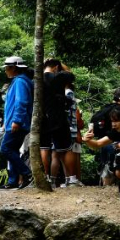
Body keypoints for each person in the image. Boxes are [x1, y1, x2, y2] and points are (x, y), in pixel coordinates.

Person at [0, 56, 34, 190]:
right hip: (14, 123)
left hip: (17, 123)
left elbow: (21, 101)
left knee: (5, 149)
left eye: (7, 68)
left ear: (14, 68)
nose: (5, 70)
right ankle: (13, 181)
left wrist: (17, 120)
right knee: (12, 149)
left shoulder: (20, 81)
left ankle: (27, 173)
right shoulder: (19, 81)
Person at [40, 59, 74, 187]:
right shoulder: (58, 77)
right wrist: (61, 68)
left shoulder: (36, 80)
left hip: (42, 117)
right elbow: (70, 75)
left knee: (44, 147)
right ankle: (71, 178)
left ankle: (46, 177)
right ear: (55, 67)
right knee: (65, 148)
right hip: (58, 117)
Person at [83, 106, 120, 196]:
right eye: (112, 121)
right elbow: (97, 144)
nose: (113, 124)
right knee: (118, 172)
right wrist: (87, 140)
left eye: (116, 121)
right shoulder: (114, 132)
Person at [92, 88, 120, 186]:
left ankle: (105, 185)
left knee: (105, 166)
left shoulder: (105, 108)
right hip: (115, 143)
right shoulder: (118, 110)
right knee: (116, 168)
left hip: (104, 141)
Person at [61, 79, 84, 186]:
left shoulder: (66, 92)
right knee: (70, 152)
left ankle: (70, 178)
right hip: (71, 127)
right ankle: (72, 178)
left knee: (67, 152)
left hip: (68, 127)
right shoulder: (68, 92)